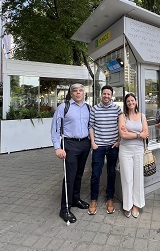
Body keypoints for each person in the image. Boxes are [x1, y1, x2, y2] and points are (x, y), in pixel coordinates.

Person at [51, 83, 91, 224]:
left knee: (79, 174)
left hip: (84, 144)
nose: (78, 93)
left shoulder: (87, 108)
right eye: (75, 91)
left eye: (81, 90)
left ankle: (75, 199)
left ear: (84, 93)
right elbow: (55, 128)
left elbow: (90, 126)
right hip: (70, 144)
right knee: (69, 176)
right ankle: (65, 209)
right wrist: (57, 147)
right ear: (71, 93)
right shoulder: (64, 107)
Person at [88, 85, 122, 215]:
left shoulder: (117, 109)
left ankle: (109, 198)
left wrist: (118, 141)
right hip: (99, 146)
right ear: (101, 94)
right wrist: (93, 142)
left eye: (108, 94)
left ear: (111, 95)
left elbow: (121, 126)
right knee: (95, 174)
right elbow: (91, 126)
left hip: (113, 147)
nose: (106, 96)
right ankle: (93, 199)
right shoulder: (95, 109)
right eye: (104, 94)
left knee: (111, 173)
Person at [118, 93, 149, 218]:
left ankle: (137, 204)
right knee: (127, 178)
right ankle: (128, 205)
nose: (130, 102)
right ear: (126, 103)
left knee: (138, 178)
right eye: (128, 101)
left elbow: (146, 133)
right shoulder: (122, 116)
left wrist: (130, 132)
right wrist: (137, 134)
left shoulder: (142, 116)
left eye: (132, 100)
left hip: (139, 150)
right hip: (125, 150)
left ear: (136, 101)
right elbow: (123, 135)